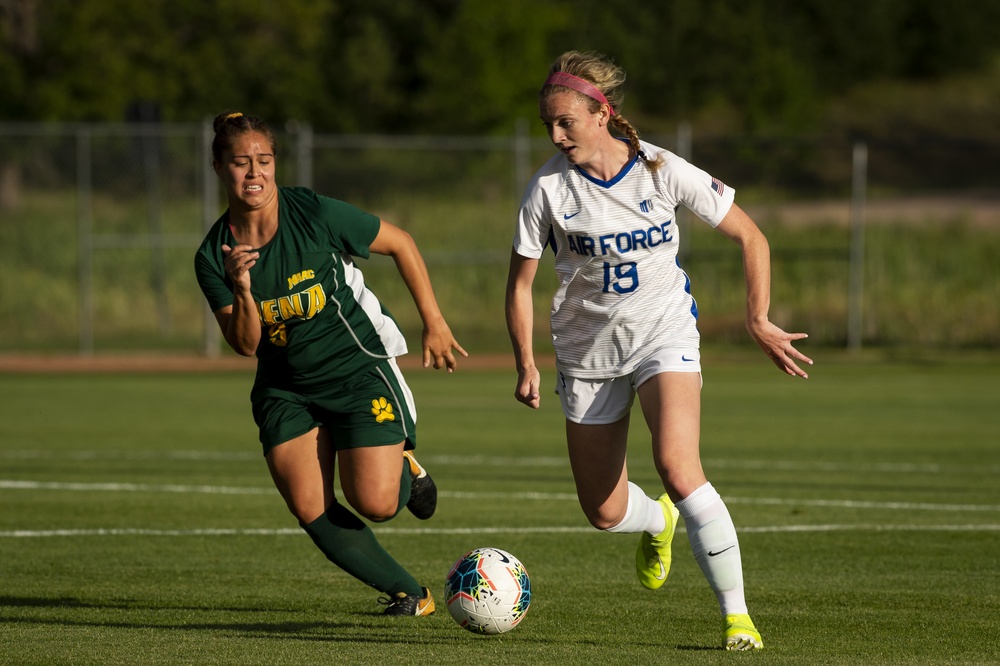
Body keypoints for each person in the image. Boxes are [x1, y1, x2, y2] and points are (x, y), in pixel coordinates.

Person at [505, 51, 813, 651]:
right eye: (549, 124)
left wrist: (758, 317)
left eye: (566, 121)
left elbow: (751, 234)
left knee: (678, 466)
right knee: (603, 511)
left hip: (663, 335)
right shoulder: (546, 188)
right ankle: (659, 520)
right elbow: (519, 286)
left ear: (602, 114)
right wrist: (526, 362)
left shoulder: (660, 168)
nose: (556, 134)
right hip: (585, 353)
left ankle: (737, 617)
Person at [194, 111, 467, 616]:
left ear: (276, 163)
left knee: (378, 503)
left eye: (264, 161)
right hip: (285, 387)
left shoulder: (312, 214)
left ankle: (405, 467)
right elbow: (248, 345)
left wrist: (434, 321)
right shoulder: (214, 254)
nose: (254, 174)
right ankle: (413, 594)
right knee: (309, 506)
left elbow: (400, 243)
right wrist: (242, 287)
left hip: (356, 369)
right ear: (217, 167)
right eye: (239, 163)